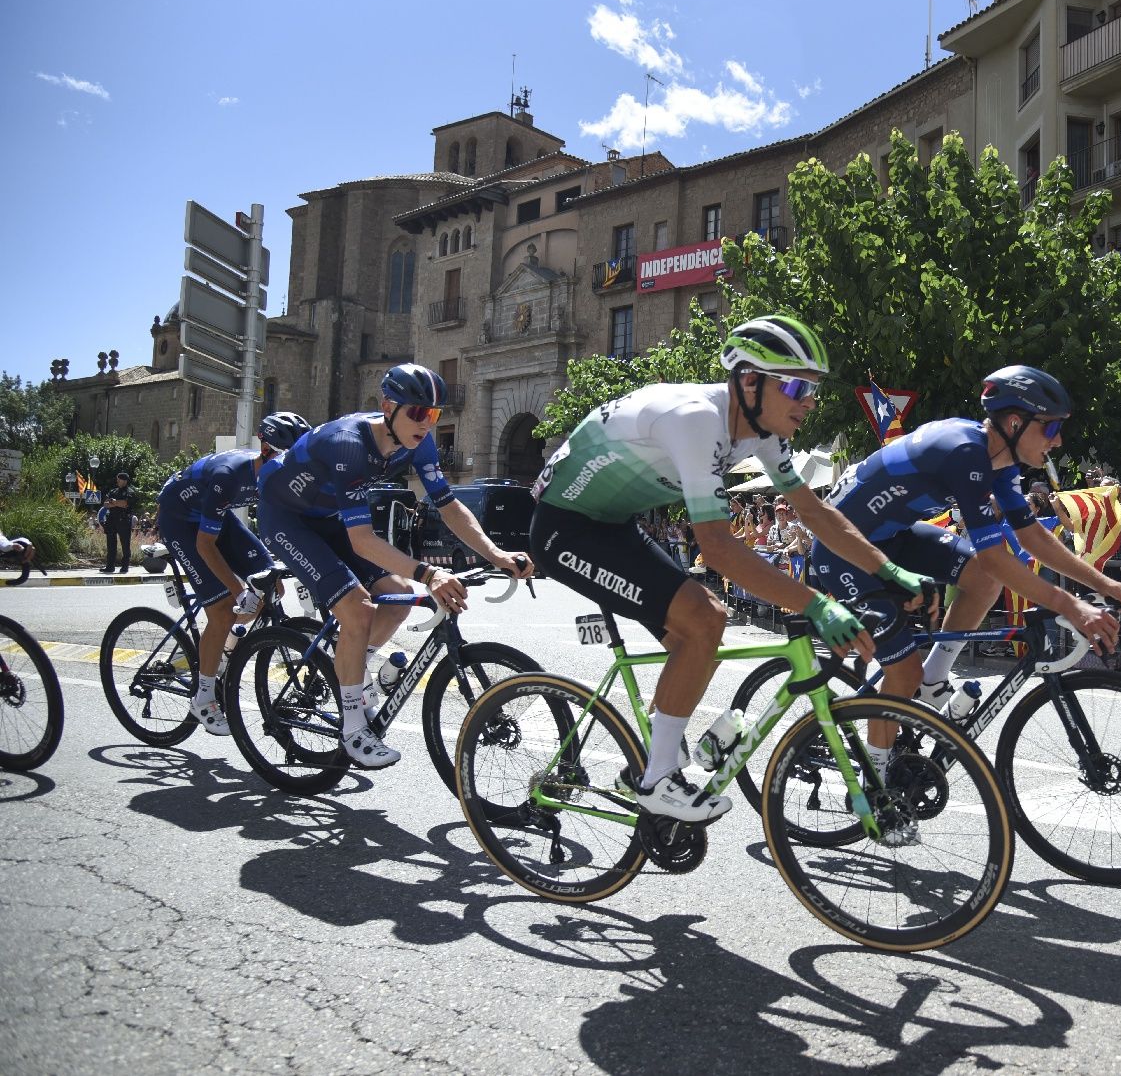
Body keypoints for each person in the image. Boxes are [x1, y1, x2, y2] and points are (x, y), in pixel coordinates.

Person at [530, 315, 930, 823]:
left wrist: (888, 570)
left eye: (812, 390)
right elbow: (716, 549)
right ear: (748, 381)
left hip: (613, 522)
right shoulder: (697, 420)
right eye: (795, 386)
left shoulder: (761, 431)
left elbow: (814, 512)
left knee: (698, 642)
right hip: (566, 528)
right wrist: (816, 603)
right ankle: (656, 779)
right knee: (706, 618)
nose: (808, 401)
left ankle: (655, 758)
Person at [812, 364, 1121, 745]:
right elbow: (997, 554)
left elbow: (1031, 536)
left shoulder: (1000, 460)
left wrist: (1107, 584)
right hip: (841, 549)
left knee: (983, 577)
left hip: (892, 536)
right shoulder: (965, 453)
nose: (1059, 440)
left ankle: (934, 678)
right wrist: (1072, 606)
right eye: (1050, 427)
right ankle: (873, 782)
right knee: (903, 674)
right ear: (1015, 423)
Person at [258, 364, 532, 768]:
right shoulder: (348, 444)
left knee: (400, 596)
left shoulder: (418, 444)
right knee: (357, 609)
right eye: (418, 413)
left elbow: (449, 506)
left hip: (327, 515)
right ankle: (353, 729)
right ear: (388, 407)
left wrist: (497, 555)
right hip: (286, 517)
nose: (426, 423)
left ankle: (351, 663)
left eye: (434, 414)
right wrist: (431, 572)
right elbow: (362, 541)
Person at [156, 412, 312, 734]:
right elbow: (205, 545)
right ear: (265, 451)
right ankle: (202, 698)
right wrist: (238, 590)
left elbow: (288, 528)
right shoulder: (229, 475)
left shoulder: (274, 479)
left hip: (216, 516)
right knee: (225, 608)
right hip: (180, 521)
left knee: (273, 588)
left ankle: (222, 650)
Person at [101, 471, 138, 573]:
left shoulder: (130, 492)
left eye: (119, 479)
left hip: (123, 520)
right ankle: (110, 566)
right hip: (112, 519)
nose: (117, 481)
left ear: (124, 480)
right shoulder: (113, 491)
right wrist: (116, 503)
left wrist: (114, 502)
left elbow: (125, 504)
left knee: (125, 544)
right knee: (111, 544)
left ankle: (125, 566)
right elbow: (106, 504)